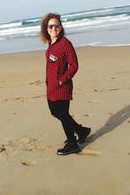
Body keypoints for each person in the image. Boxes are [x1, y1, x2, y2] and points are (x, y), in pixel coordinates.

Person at [40, 12, 91, 155]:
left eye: (57, 26)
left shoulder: (65, 44)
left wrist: (63, 79)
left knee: (63, 114)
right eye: (51, 26)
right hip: (51, 86)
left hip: (62, 86)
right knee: (55, 112)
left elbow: (74, 65)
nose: (53, 28)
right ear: (46, 28)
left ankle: (72, 143)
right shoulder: (51, 43)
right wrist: (50, 82)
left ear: (61, 27)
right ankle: (81, 131)